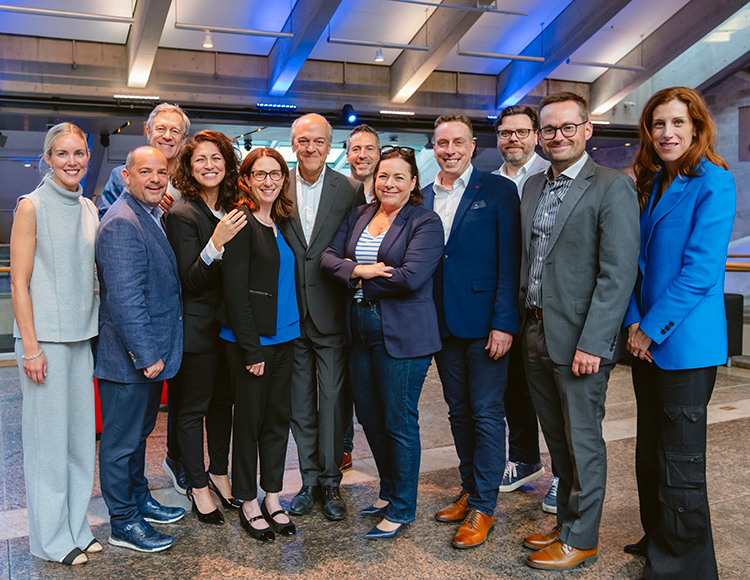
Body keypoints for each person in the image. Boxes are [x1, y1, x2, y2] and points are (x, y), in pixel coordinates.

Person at [519, 92, 639, 570]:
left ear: (587, 130)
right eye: (549, 129)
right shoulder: (531, 187)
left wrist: (594, 341)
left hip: (581, 342)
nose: (558, 137)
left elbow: (617, 272)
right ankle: (567, 519)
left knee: (583, 441)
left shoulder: (612, 187)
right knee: (557, 438)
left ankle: (583, 538)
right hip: (534, 331)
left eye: (568, 127)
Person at [623, 87, 735, 580]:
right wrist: (632, 321)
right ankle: (660, 538)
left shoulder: (715, 182)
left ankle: (684, 566)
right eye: (657, 124)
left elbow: (700, 271)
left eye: (676, 123)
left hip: (684, 345)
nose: (666, 133)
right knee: (650, 451)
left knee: (680, 460)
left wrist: (649, 328)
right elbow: (636, 265)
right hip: (645, 341)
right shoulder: (654, 182)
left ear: (695, 127)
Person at [321, 146, 444, 539]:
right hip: (358, 328)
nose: (388, 183)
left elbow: (410, 277)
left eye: (398, 177)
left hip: (404, 332)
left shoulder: (425, 221)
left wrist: (357, 278)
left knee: (399, 420)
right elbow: (327, 258)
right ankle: (388, 491)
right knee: (369, 418)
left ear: (412, 183)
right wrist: (360, 268)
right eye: (382, 176)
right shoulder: (359, 214)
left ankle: (403, 507)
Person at [423, 114, 521, 549]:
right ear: (433, 146)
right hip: (440, 322)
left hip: (485, 325)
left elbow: (509, 262)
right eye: (442, 143)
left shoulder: (499, 191)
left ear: (472, 145)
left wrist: (504, 322)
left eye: (457, 142)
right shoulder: (421, 196)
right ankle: (469, 489)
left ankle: (485, 506)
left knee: (485, 413)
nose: (450, 150)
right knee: (458, 412)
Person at [10, 123, 100, 566]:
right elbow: (19, 283)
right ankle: (49, 539)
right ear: (47, 159)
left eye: (79, 153)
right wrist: (30, 347)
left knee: (81, 443)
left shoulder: (88, 206)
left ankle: (76, 528)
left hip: (82, 338)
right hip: (45, 340)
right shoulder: (32, 206)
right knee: (49, 445)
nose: (72, 161)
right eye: (62, 154)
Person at [98, 102, 192, 497]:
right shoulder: (123, 211)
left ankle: (138, 499)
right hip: (134, 346)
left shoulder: (177, 189)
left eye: (175, 130)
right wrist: (145, 351)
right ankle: (124, 518)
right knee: (122, 441)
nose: (168, 135)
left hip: (160, 335)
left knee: (139, 434)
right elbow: (124, 291)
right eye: (161, 128)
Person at [279, 113, 365, 521]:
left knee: (331, 401)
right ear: (292, 144)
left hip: (331, 311)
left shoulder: (349, 189)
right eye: (302, 141)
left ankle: (332, 482)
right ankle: (308, 479)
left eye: (318, 141)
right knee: (299, 403)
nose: (309, 148)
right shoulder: (276, 185)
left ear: (330, 147)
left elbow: (356, 244)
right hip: (290, 314)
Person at [166, 130, 247, 524]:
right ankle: (197, 485)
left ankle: (219, 471)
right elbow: (189, 280)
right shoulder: (182, 214)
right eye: (200, 159)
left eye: (216, 158)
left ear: (227, 163)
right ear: (189, 167)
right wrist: (215, 242)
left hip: (229, 329)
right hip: (197, 330)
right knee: (191, 408)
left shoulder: (233, 208)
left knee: (222, 407)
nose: (209, 165)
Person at [222, 148, 300, 542]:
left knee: (276, 423)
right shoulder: (241, 222)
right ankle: (247, 500)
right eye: (260, 174)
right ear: (247, 180)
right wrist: (252, 350)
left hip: (286, 339)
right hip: (253, 345)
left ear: (284, 179)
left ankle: (273, 496)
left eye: (275, 174)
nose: (268, 181)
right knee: (249, 424)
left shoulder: (280, 223)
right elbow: (235, 293)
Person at [492, 106, 557, 512]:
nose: (512, 139)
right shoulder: (493, 182)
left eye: (521, 132)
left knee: (552, 393)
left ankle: (564, 474)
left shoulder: (550, 177)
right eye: (505, 133)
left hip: (544, 303)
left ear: (535, 135)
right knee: (512, 386)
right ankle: (525, 459)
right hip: (505, 300)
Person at [339, 123, 382, 472]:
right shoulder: (342, 194)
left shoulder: (392, 193)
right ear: (347, 153)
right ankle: (343, 447)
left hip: (386, 311)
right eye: (356, 149)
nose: (362, 155)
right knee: (344, 386)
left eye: (369, 148)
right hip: (344, 305)